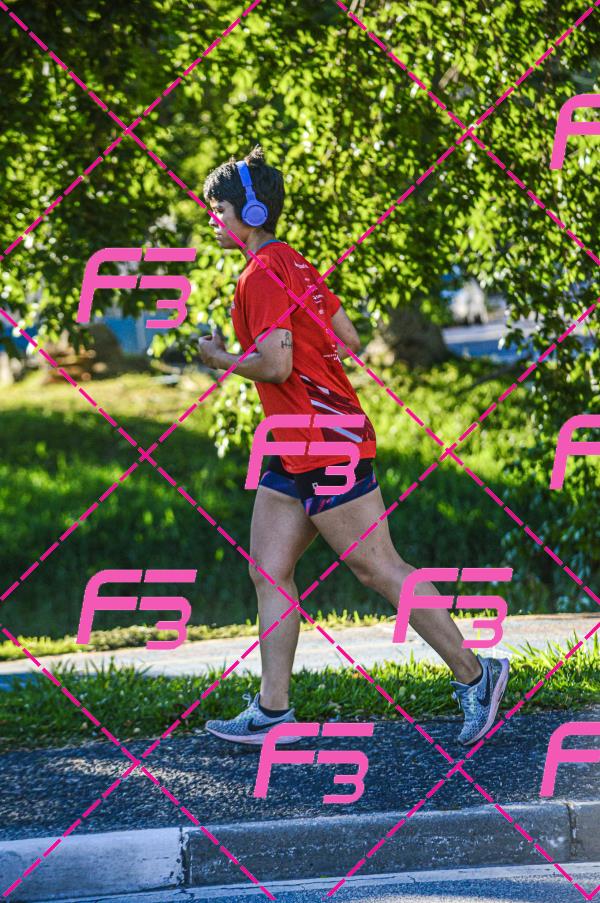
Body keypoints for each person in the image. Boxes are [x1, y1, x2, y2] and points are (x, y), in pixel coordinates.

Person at [197, 145, 509, 747]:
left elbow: (277, 365)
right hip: (295, 441)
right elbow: (349, 337)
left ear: (250, 212)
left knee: (377, 567)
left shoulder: (261, 274)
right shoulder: (293, 262)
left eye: (220, 209)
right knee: (269, 570)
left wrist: (220, 358)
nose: (214, 220)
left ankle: (477, 675)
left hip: (326, 441)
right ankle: (273, 711)